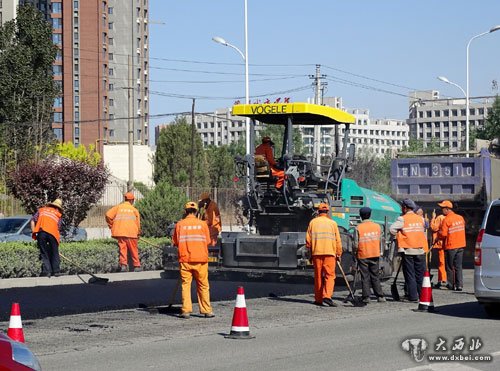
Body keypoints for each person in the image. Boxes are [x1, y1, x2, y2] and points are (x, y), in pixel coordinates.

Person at [173, 201, 214, 319]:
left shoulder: (180, 224)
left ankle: (186, 311)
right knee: (203, 285)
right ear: (196, 212)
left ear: (185, 212)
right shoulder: (202, 224)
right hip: (201, 260)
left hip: (185, 260)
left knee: (186, 285)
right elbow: (208, 241)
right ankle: (207, 311)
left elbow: (175, 242)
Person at [390, 198, 428, 302]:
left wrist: (398, 234)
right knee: (420, 275)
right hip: (420, 250)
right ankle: (422, 296)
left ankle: (413, 297)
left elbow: (392, 229)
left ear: (405, 208)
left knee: (410, 274)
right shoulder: (420, 219)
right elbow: (425, 227)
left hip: (408, 251)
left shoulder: (402, 219)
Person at [306, 203, 342, 307]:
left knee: (318, 276)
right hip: (330, 253)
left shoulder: (313, 222)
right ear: (327, 212)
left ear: (318, 211)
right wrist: (338, 254)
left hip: (317, 253)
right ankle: (327, 296)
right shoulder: (333, 223)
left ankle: (318, 299)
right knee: (329, 276)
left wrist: (310, 252)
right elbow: (338, 241)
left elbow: (308, 240)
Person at [355, 207, 385, 304]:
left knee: (365, 276)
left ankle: (366, 297)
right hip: (375, 254)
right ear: (370, 215)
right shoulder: (377, 226)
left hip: (363, 254)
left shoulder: (358, 227)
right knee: (375, 275)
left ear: (361, 216)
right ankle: (380, 296)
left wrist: (354, 254)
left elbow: (355, 244)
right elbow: (381, 240)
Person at [105, 192, 142, 272]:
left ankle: (123, 266)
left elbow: (108, 215)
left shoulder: (118, 207)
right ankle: (137, 266)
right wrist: (138, 233)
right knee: (134, 250)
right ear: (132, 200)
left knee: (123, 249)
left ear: (125, 199)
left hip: (121, 232)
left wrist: (111, 225)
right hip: (132, 233)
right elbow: (138, 223)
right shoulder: (134, 210)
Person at [437, 200, 466, 291]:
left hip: (451, 245)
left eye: (442, 208)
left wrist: (439, 234)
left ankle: (451, 284)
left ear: (447, 209)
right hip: (461, 245)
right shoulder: (460, 218)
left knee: (449, 266)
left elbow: (443, 234)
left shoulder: (446, 220)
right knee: (458, 266)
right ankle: (459, 285)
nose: (441, 210)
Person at [31, 199, 63, 277]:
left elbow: (32, 220)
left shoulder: (41, 210)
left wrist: (34, 232)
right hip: (53, 233)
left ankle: (47, 271)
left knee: (44, 252)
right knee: (55, 252)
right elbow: (58, 227)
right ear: (57, 208)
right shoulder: (58, 214)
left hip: (42, 232)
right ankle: (56, 271)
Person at [430, 209, 447, 288]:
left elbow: (433, 228)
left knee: (441, 263)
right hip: (447, 243)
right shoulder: (447, 218)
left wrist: (433, 218)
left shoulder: (440, 217)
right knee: (447, 263)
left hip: (439, 243)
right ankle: (444, 279)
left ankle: (442, 279)